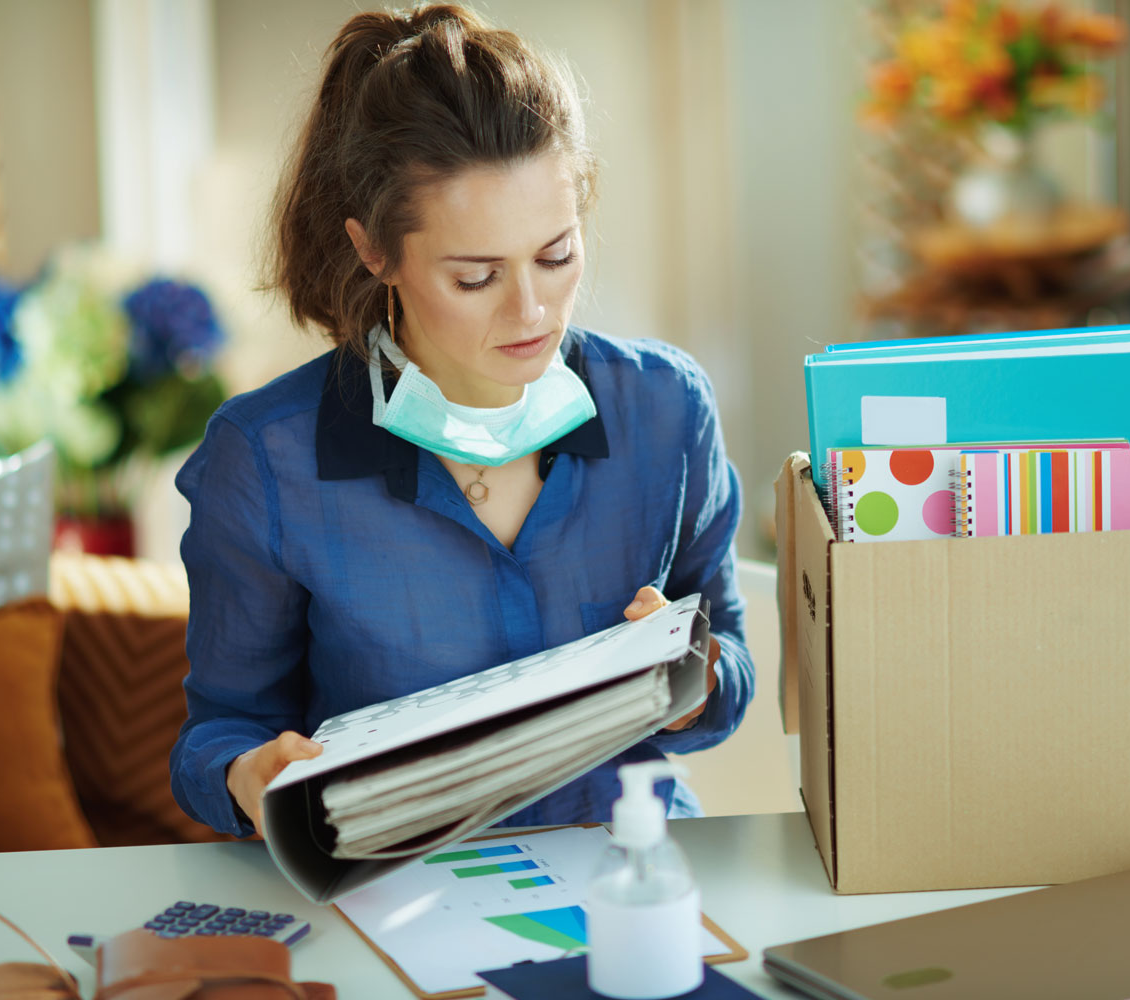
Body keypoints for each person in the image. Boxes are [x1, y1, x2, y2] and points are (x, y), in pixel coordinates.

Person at [169, 4, 752, 838]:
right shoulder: (266, 459)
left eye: (556, 255)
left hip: (629, 871)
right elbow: (218, 729)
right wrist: (245, 774)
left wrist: (692, 676)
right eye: (476, 276)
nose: (532, 309)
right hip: (392, 892)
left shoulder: (664, 410)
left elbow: (729, 660)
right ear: (375, 251)